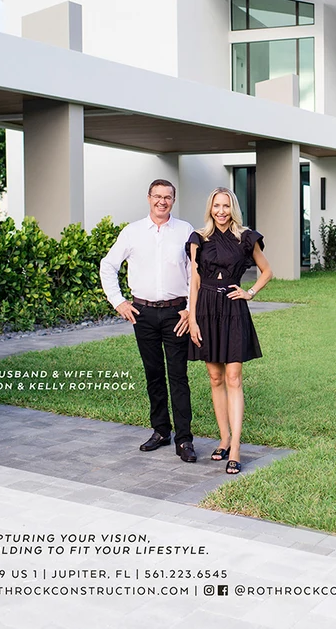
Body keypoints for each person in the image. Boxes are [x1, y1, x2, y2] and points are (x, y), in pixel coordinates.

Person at [100, 179, 197, 463]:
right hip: (142, 314)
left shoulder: (185, 230)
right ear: (148, 198)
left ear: (173, 200)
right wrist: (118, 301)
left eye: (167, 197)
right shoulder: (132, 232)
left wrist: (190, 309)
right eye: (157, 196)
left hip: (176, 313)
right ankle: (160, 430)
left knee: (178, 376)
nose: (162, 202)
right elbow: (108, 266)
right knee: (153, 374)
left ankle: (184, 440)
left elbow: (195, 273)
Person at [186, 187, 272, 475]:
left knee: (233, 377)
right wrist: (193, 318)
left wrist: (250, 292)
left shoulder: (246, 238)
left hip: (233, 309)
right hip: (206, 310)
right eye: (216, 206)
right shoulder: (198, 238)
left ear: (232, 208)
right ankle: (223, 437)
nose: (220, 211)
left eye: (225, 206)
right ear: (210, 208)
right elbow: (194, 281)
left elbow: (267, 271)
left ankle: (235, 446)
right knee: (214, 377)